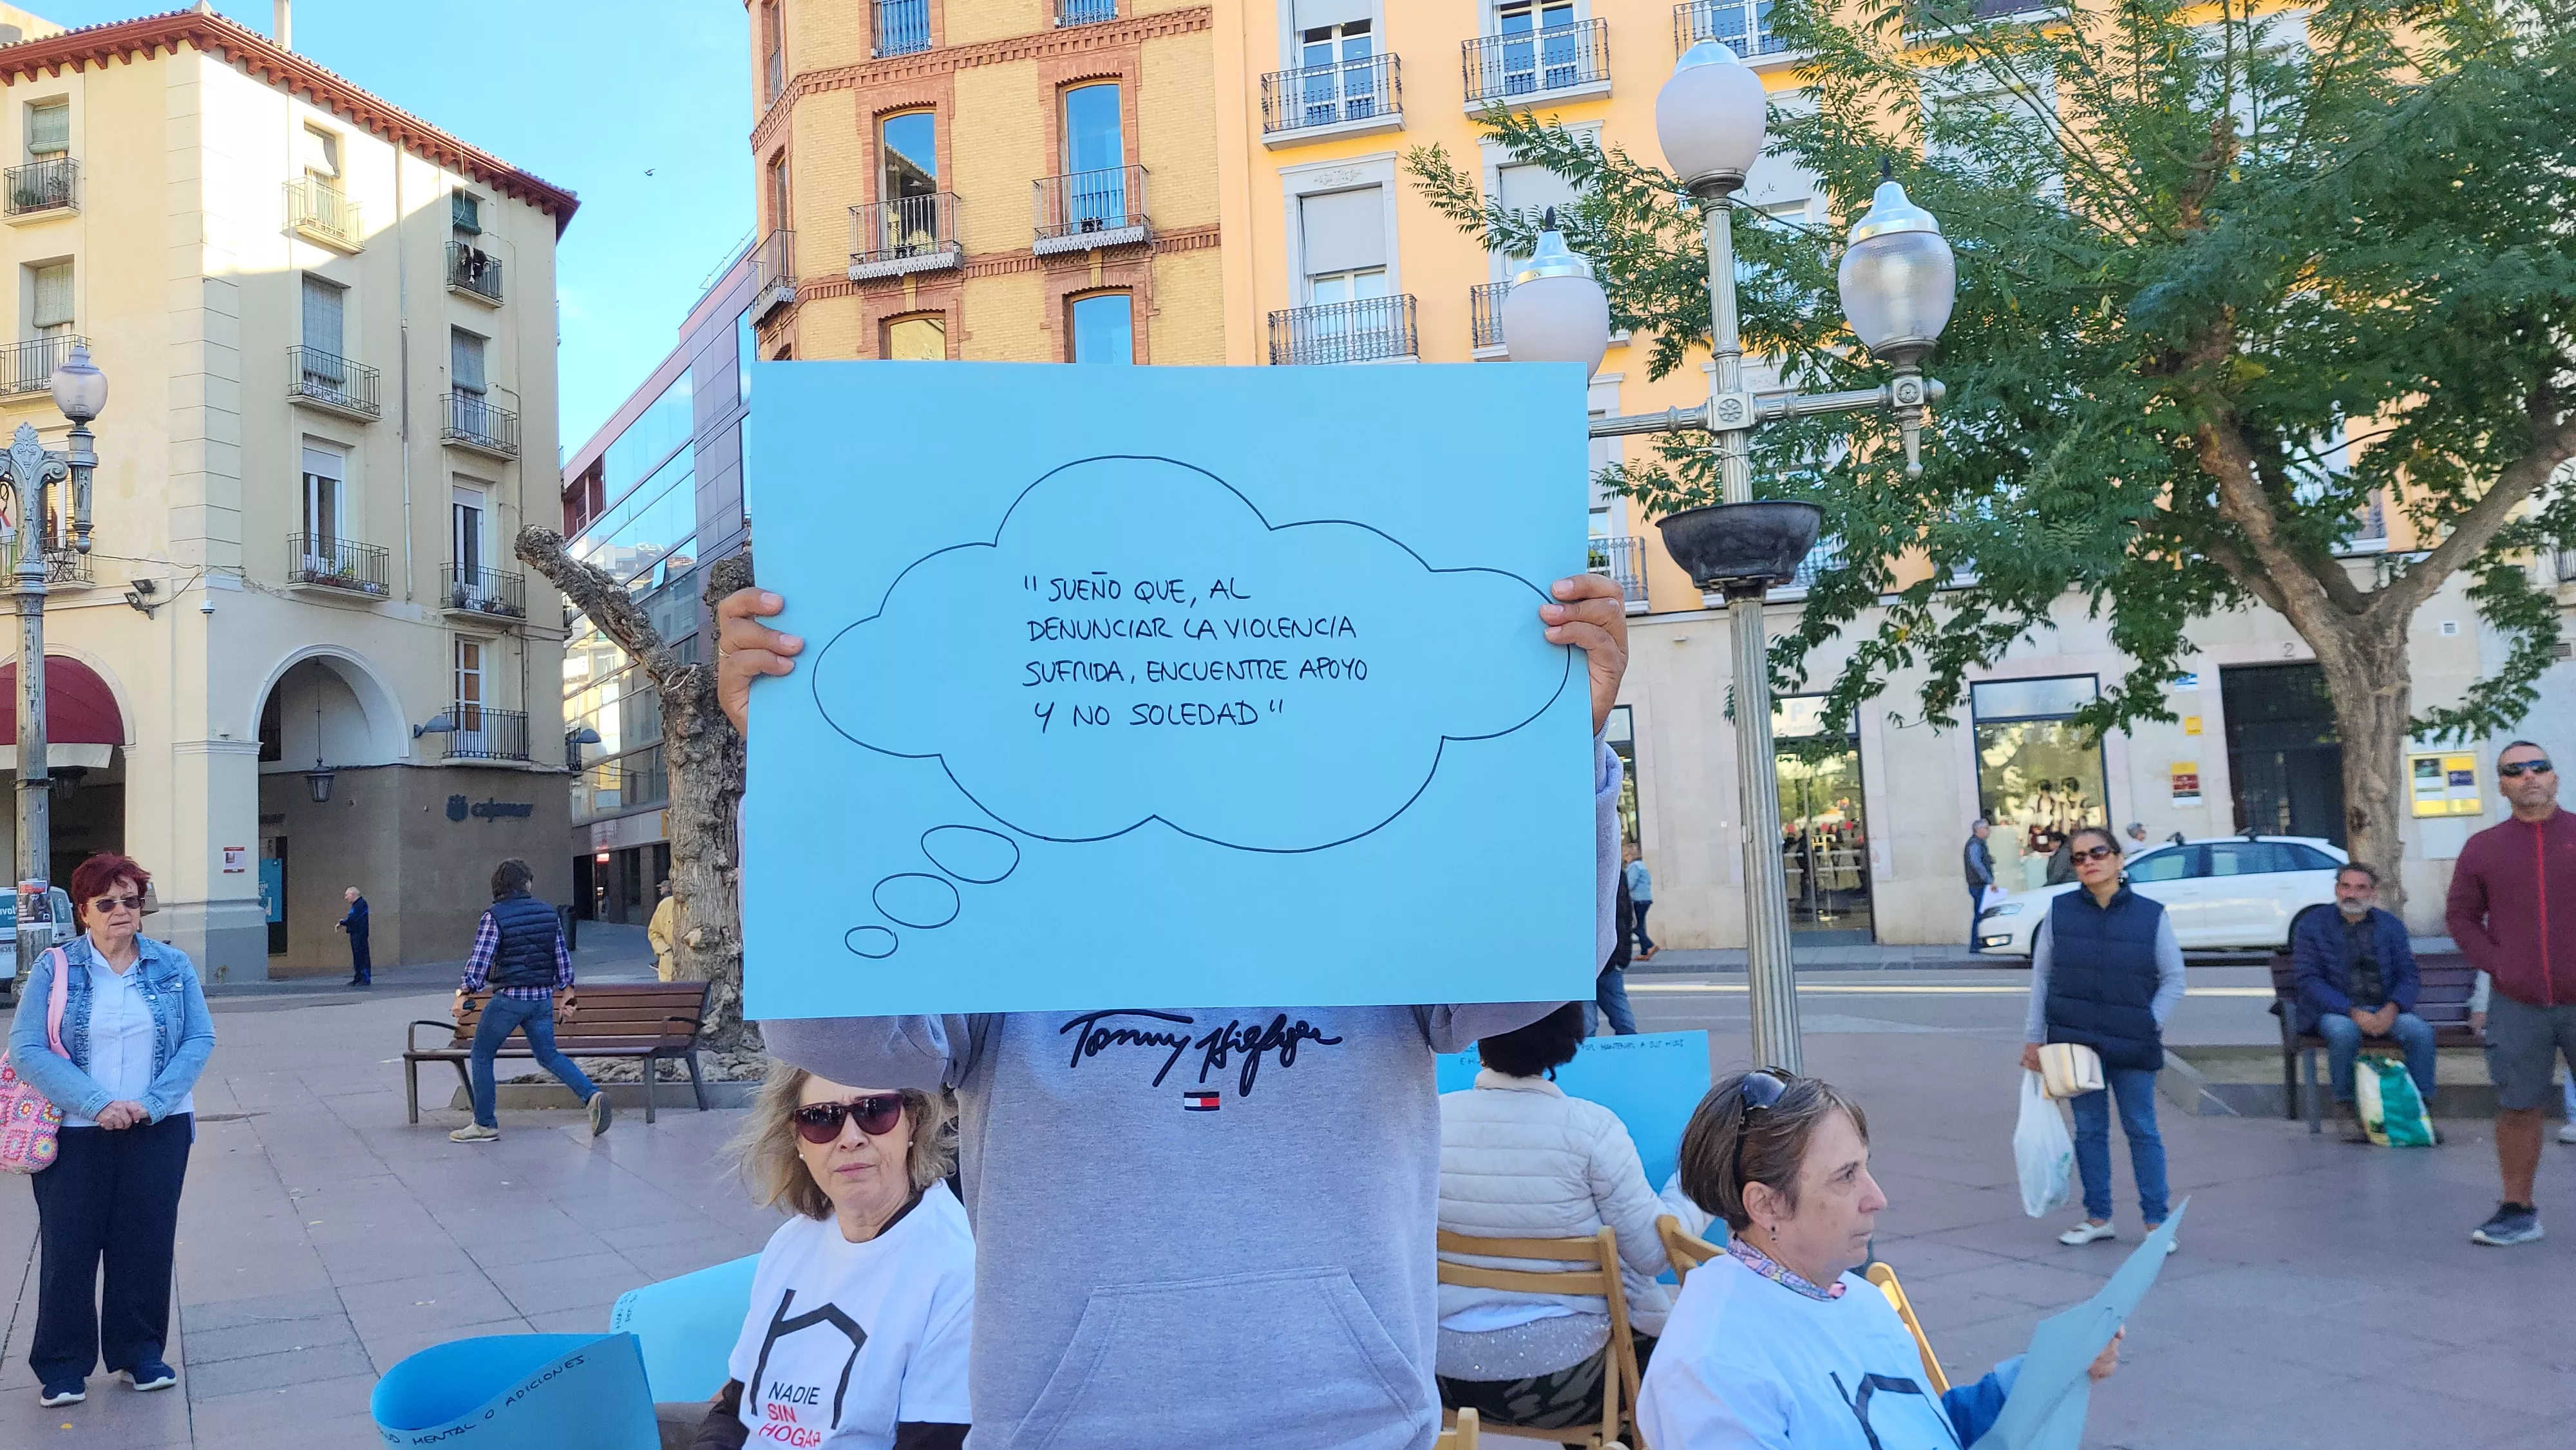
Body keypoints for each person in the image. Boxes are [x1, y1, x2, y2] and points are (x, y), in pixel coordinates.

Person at [715, 571, 1630, 1450]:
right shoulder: (1007, 897)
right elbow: (828, 1032)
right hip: (1063, 1428)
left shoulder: (1374, 870)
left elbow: (1536, 970)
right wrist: (804, 775)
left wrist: (1546, 754)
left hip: (1350, 1420)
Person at [1637, 1069, 2120, 1446]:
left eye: (1865, 1167)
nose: (1877, 1198)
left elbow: (1926, 1430)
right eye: (1846, 1176)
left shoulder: (1855, 1297)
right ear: (1766, 1205)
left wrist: (2047, 1371)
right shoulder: (1712, 1369)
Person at [667, 1066, 971, 1450]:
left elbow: (933, 1441)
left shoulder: (957, 1268)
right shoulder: (792, 1243)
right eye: (820, 1120)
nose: (850, 1139)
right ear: (798, 1140)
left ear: (912, 1123)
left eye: (875, 1111)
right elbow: (737, 1410)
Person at [6, 852, 215, 1408]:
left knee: (146, 1244)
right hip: (76, 1130)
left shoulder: (172, 964)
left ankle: (139, 1352)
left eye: (132, 900)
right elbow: (26, 1048)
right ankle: (62, 1364)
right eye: (108, 902)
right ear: (83, 912)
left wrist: (151, 1103)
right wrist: (97, 1103)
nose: (122, 911)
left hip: (160, 1126)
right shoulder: (57, 968)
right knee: (69, 1248)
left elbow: (199, 1039)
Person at [1434, 1004, 1670, 1432]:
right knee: (1679, 1346)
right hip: (1571, 1384)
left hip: (1444, 1376)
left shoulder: (1433, 1120)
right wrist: (1688, 1191)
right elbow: (1653, 1253)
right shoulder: (1593, 1129)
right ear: (1564, 1045)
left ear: (1479, 1038)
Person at [2019, 825, 2184, 1250]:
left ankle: (2156, 1224)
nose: (2088, 862)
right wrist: (2033, 1039)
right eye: (2078, 857)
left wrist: (2149, 1022)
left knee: (2142, 1130)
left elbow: (2174, 979)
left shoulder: (2151, 915)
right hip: (2074, 1042)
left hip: (2132, 1043)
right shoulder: (2060, 911)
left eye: (2097, 853)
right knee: (2089, 1131)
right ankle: (2098, 1217)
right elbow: (2042, 977)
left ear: (2118, 858)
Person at [2444, 740, 2576, 1247]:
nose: (2529, 776)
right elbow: (2460, 916)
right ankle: (2517, 1209)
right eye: (2515, 771)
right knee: (2519, 1105)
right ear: (2502, 785)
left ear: (2555, 777)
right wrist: (2500, 964)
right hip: (2518, 1002)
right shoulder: (2484, 847)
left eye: (2539, 766)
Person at [450, 859, 612, 1144]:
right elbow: (561, 955)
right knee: (548, 1055)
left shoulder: (496, 915)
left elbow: (481, 959)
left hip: (510, 999)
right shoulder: (548, 913)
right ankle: (591, 1095)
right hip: (541, 1001)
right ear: (525, 883)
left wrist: (465, 992)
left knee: (482, 1055)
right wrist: (568, 991)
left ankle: (485, 1124)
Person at [2291, 862, 2435, 1144]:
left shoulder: (2390, 926)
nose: (2351, 894)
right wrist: (2352, 1011)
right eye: (2345, 886)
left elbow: (2408, 974)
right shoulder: (2313, 925)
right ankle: (2345, 1109)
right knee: (2344, 1033)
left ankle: (2420, 1112)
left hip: (2385, 1007)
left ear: (2373, 893)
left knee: (2420, 1033)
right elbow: (2308, 980)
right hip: (2335, 1010)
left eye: (2360, 888)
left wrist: (2392, 1008)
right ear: (2336, 889)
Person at [1592, 871, 1638, 1037]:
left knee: (1586, 1027)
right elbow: (1625, 917)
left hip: (1593, 959)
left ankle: (1587, 1061)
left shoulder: (1577, 872)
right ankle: (1631, 1056)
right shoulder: (1616, 873)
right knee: (1623, 1021)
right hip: (1609, 956)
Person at [1962, 819, 1994, 952]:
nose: (1989, 830)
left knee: (1981, 913)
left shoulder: (1978, 843)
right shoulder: (1975, 844)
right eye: (1986, 828)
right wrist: (1989, 880)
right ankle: (1975, 944)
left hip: (1978, 884)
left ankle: (1978, 942)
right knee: (1980, 914)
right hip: (1978, 885)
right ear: (1978, 830)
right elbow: (1977, 864)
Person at [1624, 846, 1657, 960]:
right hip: (1646, 899)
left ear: (1631, 855)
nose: (1625, 859)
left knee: (1634, 926)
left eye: (1626, 856)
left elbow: (1630, 884)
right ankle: (1644, 952)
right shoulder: (1642, 866)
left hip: (1637, 899)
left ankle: (1650, 945)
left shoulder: (1634, 867)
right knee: (1641, 925)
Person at [337, 885, 370, 986]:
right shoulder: (357, 905)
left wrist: (342, 922)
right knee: (357, 956)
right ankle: (358, 977)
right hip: (356, 933)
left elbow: (353, 919)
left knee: (361, 956)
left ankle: (364, 978)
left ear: (353, 895)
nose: (346, 898)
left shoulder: (361, 905)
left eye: (347, 895)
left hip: (360, 934)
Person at [648, 878, 678, 983]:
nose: (660, 890)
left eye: (662, 888)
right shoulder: (665, 904)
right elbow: (654, 932)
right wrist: (664, 950)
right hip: (668, 975)